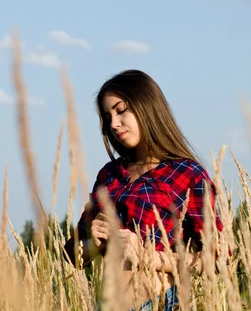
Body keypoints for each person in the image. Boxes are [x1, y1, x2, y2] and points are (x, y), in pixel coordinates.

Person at [63, 69, 223, 311]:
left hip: (158, 304)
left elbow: (218, 260)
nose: (114, 124)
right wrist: (92, 243)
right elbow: (70, 258)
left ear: (146, 106)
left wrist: (148, 257)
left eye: (121, 110)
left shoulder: (186, 173)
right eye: (108, 118)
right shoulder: (109, 174)